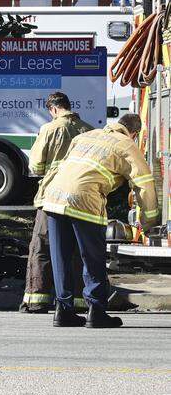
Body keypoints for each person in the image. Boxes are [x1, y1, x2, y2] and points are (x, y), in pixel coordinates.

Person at [41, 113, 159, 328]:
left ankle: (63, 310)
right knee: (92, 257)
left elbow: (61, 167)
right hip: (84, 199)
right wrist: (148, 221)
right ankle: (96, 311)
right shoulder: (126, 144)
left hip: (54, 198)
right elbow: (144, 184)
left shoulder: (86, 136)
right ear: (134, 133)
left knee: (61, 257)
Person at [20, 92, 92, 313]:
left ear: (53, 109)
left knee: (41, 245)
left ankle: (37, 300)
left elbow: (36, 166)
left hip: (52, 197)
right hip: (82, 199)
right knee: (78, 248)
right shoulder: (89, 130)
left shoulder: (49, 129)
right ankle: (79, 300)